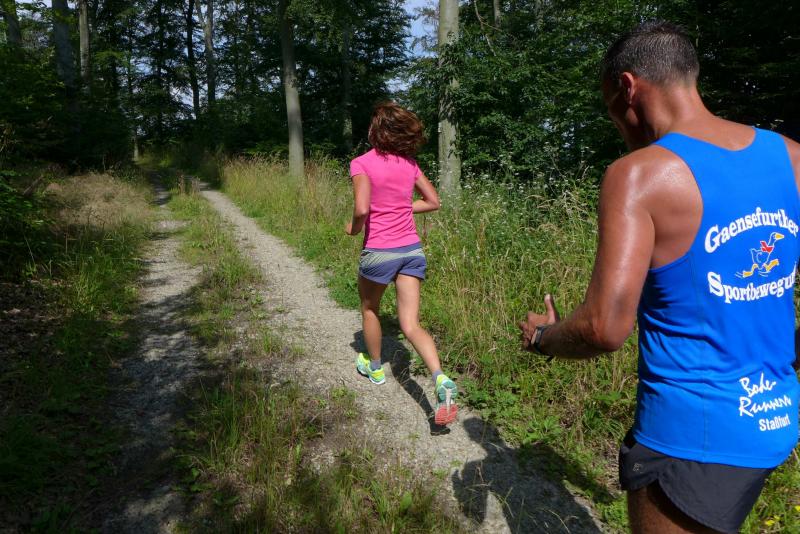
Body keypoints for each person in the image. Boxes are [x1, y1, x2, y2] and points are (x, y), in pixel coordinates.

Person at [519, 21, 800, 534]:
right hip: (775, 420)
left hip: (689, 439)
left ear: (628, 87)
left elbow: (604, 328)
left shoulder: (639, 174)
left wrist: (543, 338)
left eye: (610, 108)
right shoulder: (791, 156)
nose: (616, 125)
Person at [345, 101, 458, 426]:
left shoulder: (361, 163)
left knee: (370, 309)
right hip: (411, 251)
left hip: (380, 252)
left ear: (376, 131)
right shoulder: (409, 165)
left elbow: (362, 209)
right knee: (411, 325)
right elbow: (433, 202)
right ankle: (440, 378)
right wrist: (403, 207)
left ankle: (375, 367)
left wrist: (353, 229)